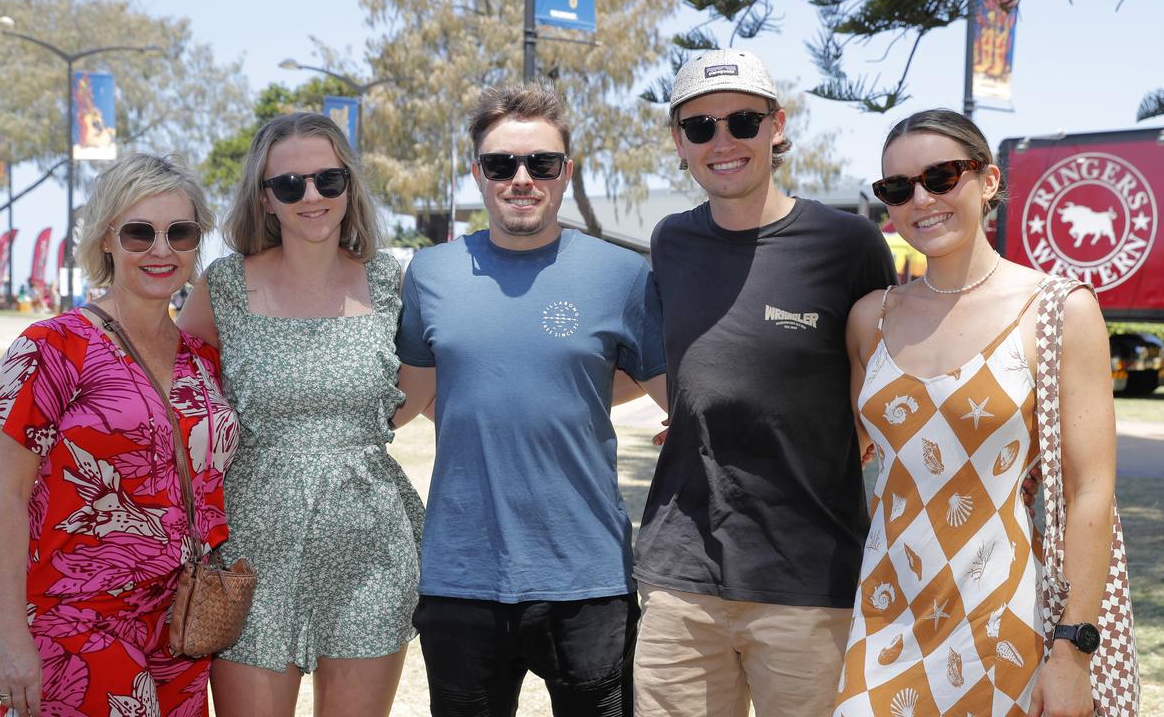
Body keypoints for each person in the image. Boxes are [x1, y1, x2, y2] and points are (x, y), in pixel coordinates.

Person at [631, 49, 898, 717]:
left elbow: (888, 385)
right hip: (680, 579)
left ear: (777, 126)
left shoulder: (848, 245)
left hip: (810, 578)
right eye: (700, 128)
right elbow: (693, 366)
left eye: (743, 121)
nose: (723, 142)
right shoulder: (670, 242)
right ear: (679, 142)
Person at [394, 84, 667, 716]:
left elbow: (681, 393)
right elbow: (409, 400)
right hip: (461, 578)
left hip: (588, 578)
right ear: (476, 173)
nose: (522, 178)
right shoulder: (430, 274)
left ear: (566, 173)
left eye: (541, 163)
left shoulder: (622, 275)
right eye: (501, 164)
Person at [833, 109, 1116, 717]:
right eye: (897, 188)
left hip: (1002, 622)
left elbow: (1090, 489)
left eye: (940, 177)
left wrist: (1071, 652)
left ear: (987, 180)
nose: (921, 200)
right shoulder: (870, 319)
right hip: (883, 616)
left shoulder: (1059, 311)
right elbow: (845, 453)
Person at [0, 153, 237, 717]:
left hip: (183, 630)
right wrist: (9, 640)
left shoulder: (203, 360)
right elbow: (5, 502)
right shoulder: (50, 349)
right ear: (106, 240)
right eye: (140, 232)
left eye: (179, 233)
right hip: (77, 630)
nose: (161, 250)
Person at [176, 112, 422, 717]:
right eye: (290, 185)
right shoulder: (224, 285)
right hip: (250, 549)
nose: (311, 196)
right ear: (266, 200)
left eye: (327, 180)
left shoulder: (393, 282)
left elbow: (426, 393)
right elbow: (174, 394)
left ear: (349, 186)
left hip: (370, 548)